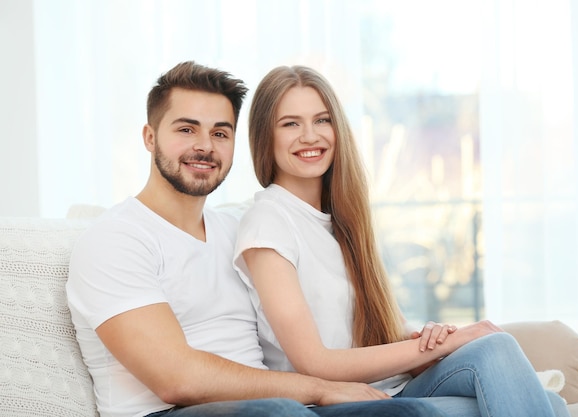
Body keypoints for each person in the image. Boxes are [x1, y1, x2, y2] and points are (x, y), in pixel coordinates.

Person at [65, 61, 447, 417]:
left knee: (407, 410)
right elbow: (176, 379)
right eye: (186, 129)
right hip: (171, 411)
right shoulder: (115, 240)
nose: (204, 145)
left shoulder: (237, 229)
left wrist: (416, 342)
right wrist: (318, 388)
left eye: (219, 132)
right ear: (150, 137)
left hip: (270, 404)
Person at [233, 65, 571, 417]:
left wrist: (428, 337)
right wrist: (451, 342)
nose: (310, 136)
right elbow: (313, 362)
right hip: (337, 403)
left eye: (322, 120)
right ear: (264, 136)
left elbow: (379, 327)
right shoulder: (268, 222)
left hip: (391, 388)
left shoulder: (341, 220)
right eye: (290, 124)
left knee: (532, 388)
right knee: (511, 369)